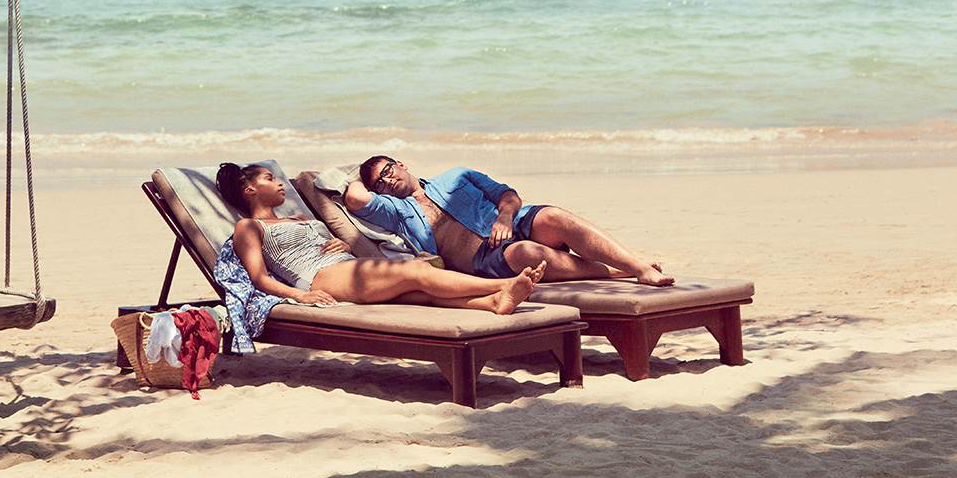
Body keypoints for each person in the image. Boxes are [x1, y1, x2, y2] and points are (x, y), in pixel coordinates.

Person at [216, 163, 545, 312]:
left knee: (419, 292)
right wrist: (298, 297)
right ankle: (503, 286)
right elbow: (259, 277)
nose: (279, 184)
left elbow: (325, 244)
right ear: (249, 190)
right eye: (269, 179)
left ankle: (492, 303)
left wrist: (342, 244)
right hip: (319, 279)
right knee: (417, 272)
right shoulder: (249, 228)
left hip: (344, 266)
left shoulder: (299, 217)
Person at [345, 155, 675, 287]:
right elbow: (354, 198)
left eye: (388, 171)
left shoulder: (456, 176)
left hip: (510, 223)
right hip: (482, 257)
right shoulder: (393, 209)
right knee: (525, 254)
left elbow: (508, 195)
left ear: (402, 165)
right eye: (379, 182)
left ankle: (636, 264)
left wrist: (505, 217)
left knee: (554, 216)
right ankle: (620, 270)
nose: (386, 181)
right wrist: (356, 174)